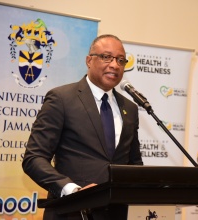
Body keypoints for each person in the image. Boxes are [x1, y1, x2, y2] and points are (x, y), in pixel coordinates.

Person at [22, 34, 143, 220]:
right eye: (106, 57)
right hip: (71, 211)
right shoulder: (61, 99)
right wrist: (72, 190)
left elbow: (134, 164)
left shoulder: (130, 108)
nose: (114, 65)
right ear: (89, 60)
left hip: (116, 213)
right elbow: (34, 158)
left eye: (120, 60)